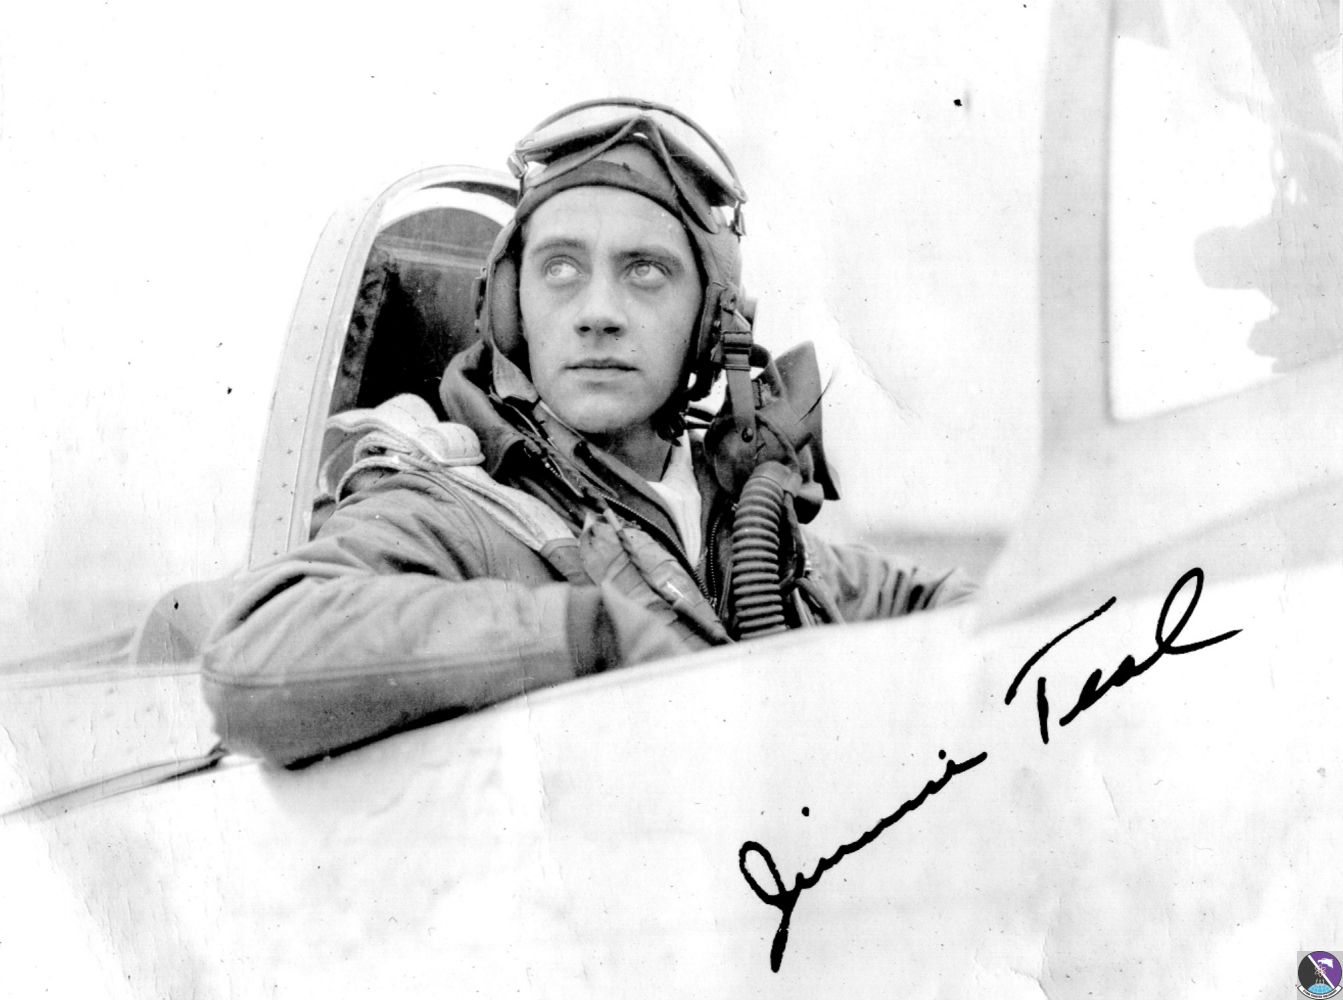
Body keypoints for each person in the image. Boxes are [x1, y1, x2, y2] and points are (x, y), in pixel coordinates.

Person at [202, 98, 974, 766]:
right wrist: (585, 634)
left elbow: (985, 620)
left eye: (645, 271)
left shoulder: (762, 546)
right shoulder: (458, 516)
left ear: (713, 326)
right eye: (561, 269)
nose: (597, 312)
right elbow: (253, 661)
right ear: (511, 310)